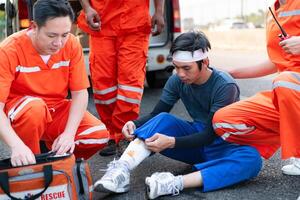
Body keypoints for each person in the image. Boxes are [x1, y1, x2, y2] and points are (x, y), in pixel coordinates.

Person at [93, 32, 262, 199]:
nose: (180, 73)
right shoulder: (177, 80)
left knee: (252, 159)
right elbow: (156, 113)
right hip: (194, 140)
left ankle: (172, 183)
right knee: (163, 119)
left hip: (223, 144)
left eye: (186, 68)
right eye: (176, 67)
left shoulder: (225, 85)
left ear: (205, 62)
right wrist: (134, 124)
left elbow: (209, 135)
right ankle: (121, 171)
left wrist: (171, 142)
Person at [0, 0, 110, 167]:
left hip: (55, 109)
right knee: (35, 108)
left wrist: (68, 134)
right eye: (51, 35)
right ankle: (30, 165)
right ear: (33, 27)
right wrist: (16, 146)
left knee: (98, 135)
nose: (58, 43)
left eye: (64, 34)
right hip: (23, 113)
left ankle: (55, 165)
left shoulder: (72, 44)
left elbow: (80, 93)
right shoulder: (9, 50)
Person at [212, 0, 300, 175]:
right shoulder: (272, 12)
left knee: (284, 81)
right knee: (223, 120)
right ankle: (291, 136)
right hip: (287, 93)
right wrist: (233, 73)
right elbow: (276, 61)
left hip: (289, 86)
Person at [77, 0, 165, 156]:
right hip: (101, 22)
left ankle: (124, 135)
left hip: (134, 25)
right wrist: (87, 8)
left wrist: (159, 11)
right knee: (103, 86)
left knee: (130, 86)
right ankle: (111, 133)